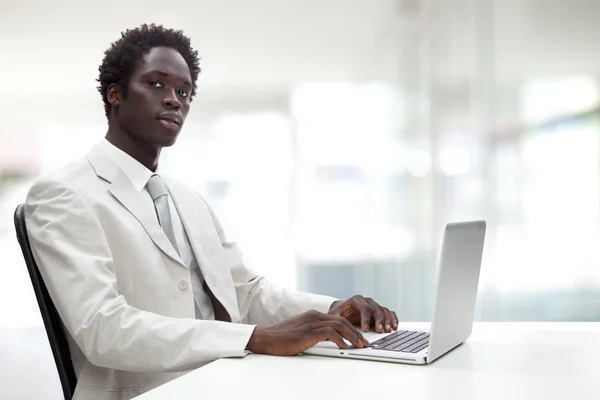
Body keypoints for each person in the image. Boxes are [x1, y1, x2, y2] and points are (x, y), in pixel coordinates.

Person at [25, 24, 398, 400]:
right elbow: (103, 329)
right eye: (156, 84)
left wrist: (333, 312)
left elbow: (244, 294)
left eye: (184, 91)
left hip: (227, 384)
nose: (174, 100)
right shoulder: (64, 194)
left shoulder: (186, 199)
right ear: (116, 94)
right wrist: (253, 337)